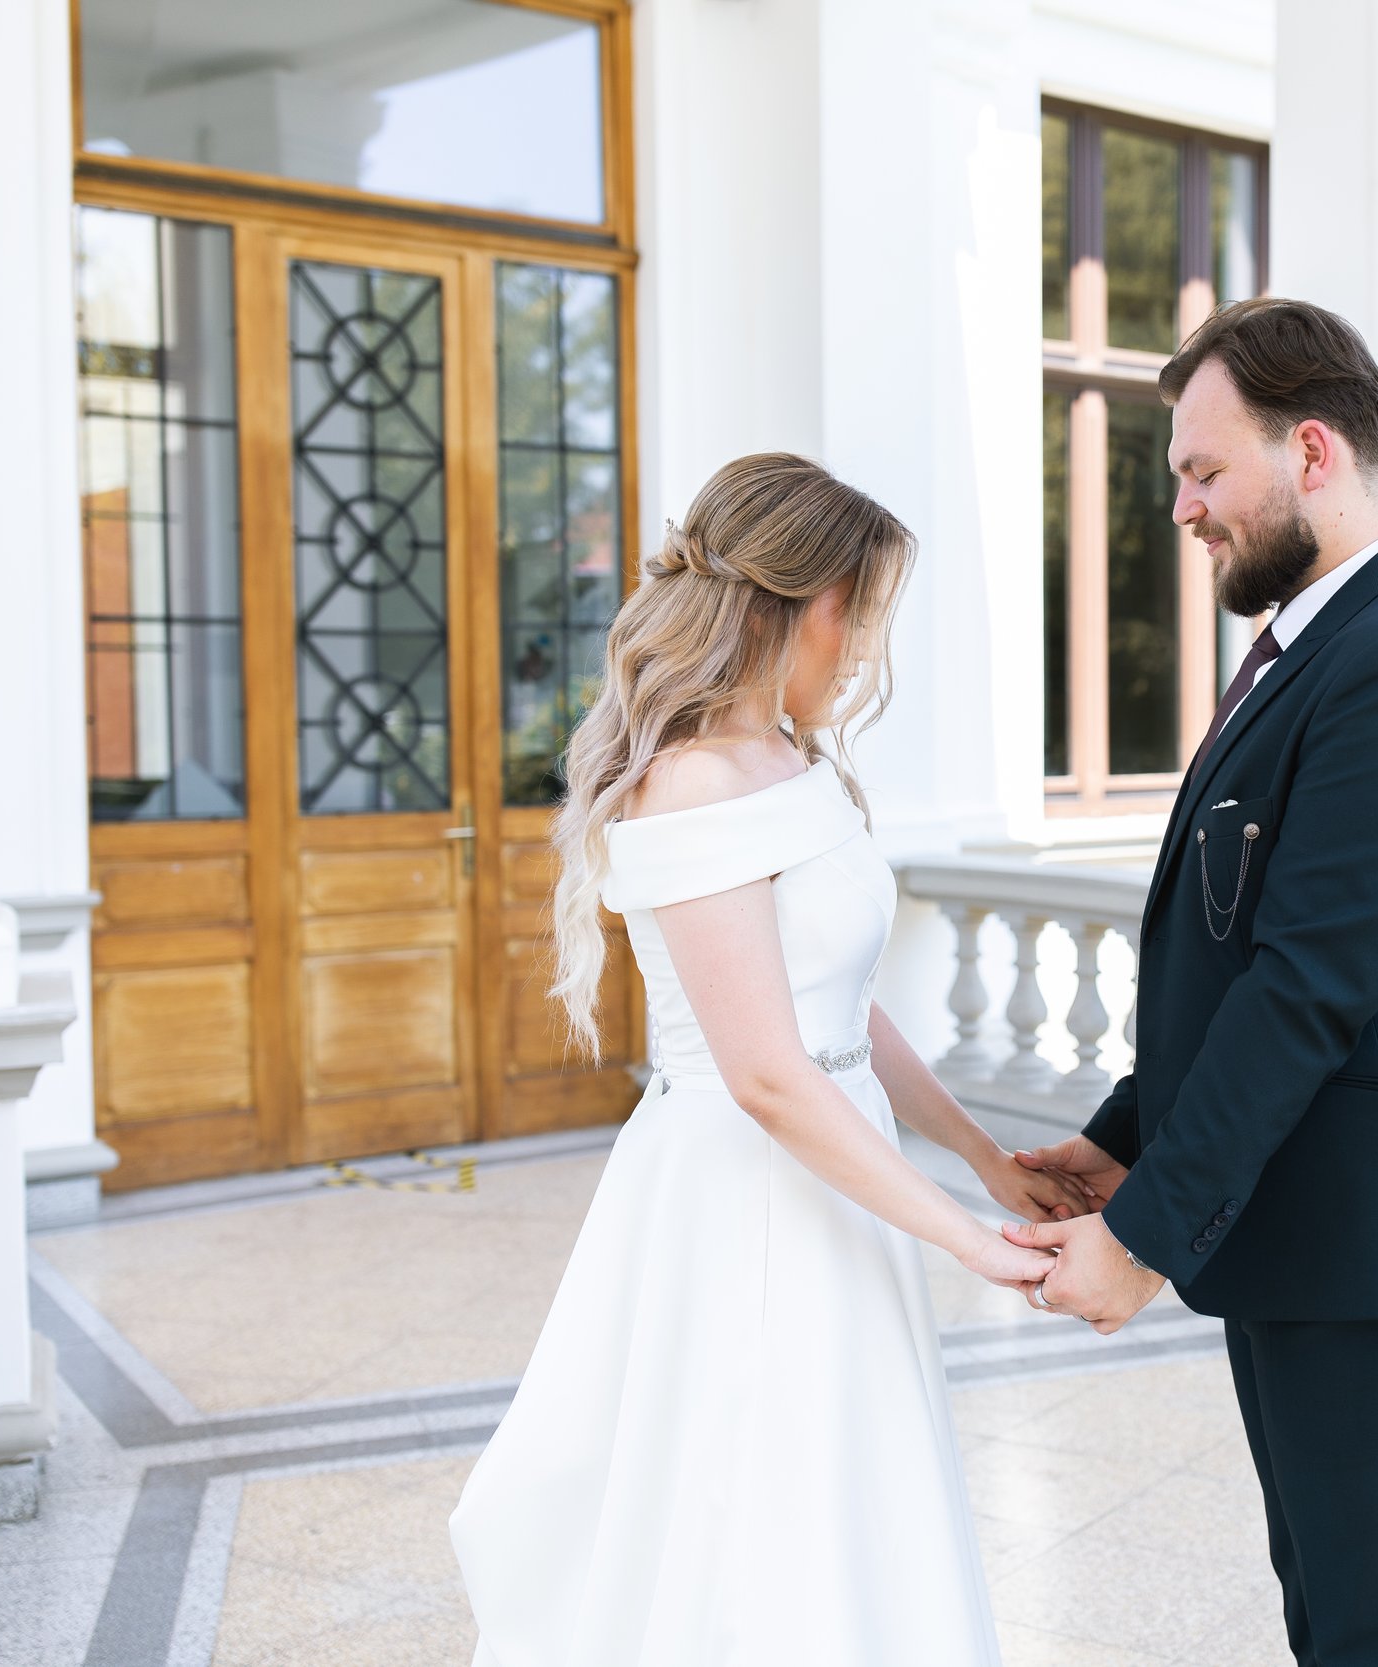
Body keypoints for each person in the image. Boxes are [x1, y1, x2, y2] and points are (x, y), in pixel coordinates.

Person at [1011, 297, 1378, 1667]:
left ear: (1311, 452)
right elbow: (1245, 954)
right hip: (1321, 1239)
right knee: (1335, 1625)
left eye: (1203, 472)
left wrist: (1144, 1232)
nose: (1184, 509)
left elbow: (1313, 984)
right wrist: (1121, 1138)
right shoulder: (1320, 647)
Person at [448, 452, 1081, 1667]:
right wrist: (959, 1233)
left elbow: (842, 1012)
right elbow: (767, 1074)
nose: (863, 649)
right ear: (800, 599)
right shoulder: (689, 783)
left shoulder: (796, 763)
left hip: (839, 1169)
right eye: (862, 612)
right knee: (750, 1493)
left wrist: (981, 1155)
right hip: (749, 1188)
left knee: (848, 1478)